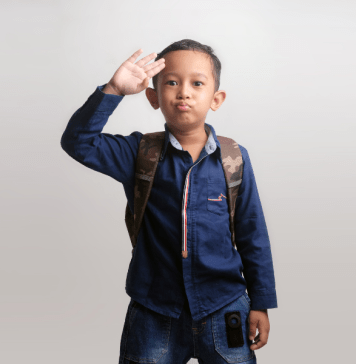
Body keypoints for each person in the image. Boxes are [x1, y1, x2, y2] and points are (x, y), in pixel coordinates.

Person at [61, 39, 277, 364]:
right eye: (172, 82)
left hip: (225, 307)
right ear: (153, 95)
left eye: (197, 83)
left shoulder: (234, 159)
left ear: (216, 99)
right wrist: (114, 90)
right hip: (154, 309)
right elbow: (78, 142)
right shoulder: (138, 154)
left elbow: (252, 234)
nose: (184, 92)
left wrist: (260, 302)